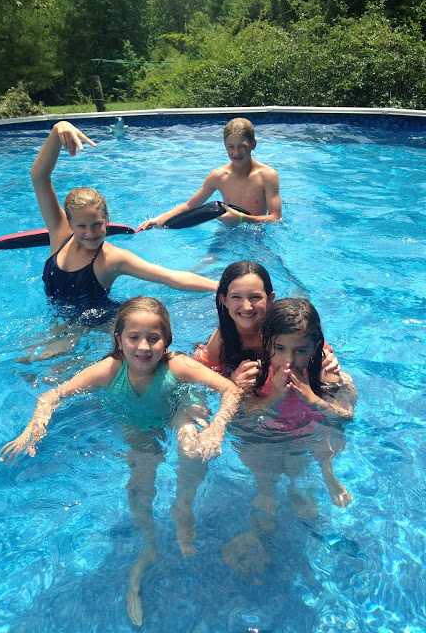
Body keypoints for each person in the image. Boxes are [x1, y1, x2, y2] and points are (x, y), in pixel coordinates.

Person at [0, 296, 241, 626]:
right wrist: (34, 428)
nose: (143, 347)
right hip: (135, 422)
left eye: (153, 338)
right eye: (133, 338)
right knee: (139, 485)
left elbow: (231, 390)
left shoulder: (178, 366)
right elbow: (51, 396)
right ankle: (149, 546)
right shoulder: (109, 370)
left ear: (167, 340)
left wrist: (217, 428)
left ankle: (183, 506)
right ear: (118, 339)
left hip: (177, 410)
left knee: (192, 449)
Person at [221, 298, 357, 583]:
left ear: (315, 348)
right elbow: (243, 417)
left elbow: (346, 415)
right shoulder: (255, 375)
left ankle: (321, 475)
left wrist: (312, 397)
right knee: (255, 451)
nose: (288, 360)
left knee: (328, 437)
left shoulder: (324, 375)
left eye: (300, 350)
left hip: (304, 436)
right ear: (266, 343)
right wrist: (274, 397)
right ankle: (264, 489)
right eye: (280, 349)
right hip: (265, 436)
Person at [32, 120, 217, 325]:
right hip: (61, 322)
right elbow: (39, 177)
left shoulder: (112, 259)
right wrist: (58, 129)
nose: (90, 233)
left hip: (100, 326)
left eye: (97, 224)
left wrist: (221, 287)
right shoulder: (59, 232)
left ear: (107, 220)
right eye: (81, 226)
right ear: (69, 222)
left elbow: (170, 277)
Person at [193, 261, 338, 387]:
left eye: (255, 297)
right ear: (224, 300)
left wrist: (327, 359)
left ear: (270, 299)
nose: (247, 307)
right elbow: (203, 375)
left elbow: (313, 345)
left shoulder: (282, 325)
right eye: (236, 297)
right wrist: (232, 381)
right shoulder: (221, 340)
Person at [138, 117, 282, 230]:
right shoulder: (218, 176)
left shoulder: (267, 176)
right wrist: (159, 219)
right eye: (231, 147)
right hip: (226, 232)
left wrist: (241, 219)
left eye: (242, 147)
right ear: (225, 146)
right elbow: (189, 205)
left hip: (255, 233)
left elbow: (276, 218)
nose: (236, 152)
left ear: (253, 145)